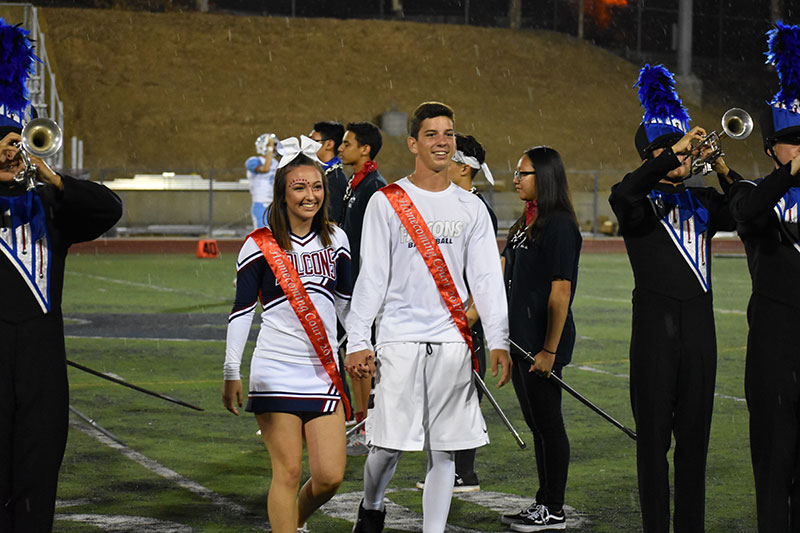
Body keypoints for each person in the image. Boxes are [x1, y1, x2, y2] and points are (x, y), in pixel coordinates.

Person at [345, 102, 511, 533]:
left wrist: (498, 339)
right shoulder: (386, 202)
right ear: (414, 143)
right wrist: (358, 337)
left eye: (449, 133)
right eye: (433, 134)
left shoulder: (471, 208)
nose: (442, 141)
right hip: (398, 338)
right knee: (387, 446)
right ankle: (372, 505)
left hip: (453, 341)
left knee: (445, 451)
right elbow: (372, 276)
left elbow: (487, 280)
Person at [0, 19, 123, 532]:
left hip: (42, 366)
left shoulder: (48, 204)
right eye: (1, 142)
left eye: (15, 141)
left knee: (37, 471)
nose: (10, 149)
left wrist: (50, 175)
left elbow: (107, 209)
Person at [608, 64, 737, 533]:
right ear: (653, 155)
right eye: (674, 148)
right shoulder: (635, 202)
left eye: (685, 147)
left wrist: (719, 165)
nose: (686, 155)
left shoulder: (703, 201)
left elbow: (747, 208)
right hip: (654, 339)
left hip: (701, 336)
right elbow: (625, 193)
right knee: (653, 444)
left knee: (695, 446)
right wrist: (669, 155)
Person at [223, 137, 353, 533]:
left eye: (315, 187)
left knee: (329, 476)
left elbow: (348, 306)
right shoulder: (259, 244)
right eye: (299, 187)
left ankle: (292, 522)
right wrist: (232, 370)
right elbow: (242, 312)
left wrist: (365, 348)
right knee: (289, 471)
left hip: (323, 372)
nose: (309, 195)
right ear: (282, 193)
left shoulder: (337, 239)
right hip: (275, 368)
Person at [728, 21, 800, 532]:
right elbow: (751, 211)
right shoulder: (755, 190)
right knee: (775, 457)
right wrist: (788, 174)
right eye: (792, 143)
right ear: (773, 147)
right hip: (775, 340)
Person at [499, 146, 581, 532]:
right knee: (537, 425)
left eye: (524, 173)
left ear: (544, 178)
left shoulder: (561, 224)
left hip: (541, 345)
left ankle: (555, 508)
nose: (516, 179)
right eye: (516, 172)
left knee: (549, 425)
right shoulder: (524, 223)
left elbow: (560, 292)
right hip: (521, 342)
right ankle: (543, 500)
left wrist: (549, 350)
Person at [415, 133, 497, 493]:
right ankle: (446, 468)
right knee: (438, 395)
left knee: (461, 395)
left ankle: (463, 472)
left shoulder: (477, 210)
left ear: (464, 167)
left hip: (463, 322)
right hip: (438, 318)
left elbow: (487, 274)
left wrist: (470, 317)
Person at [337, 121, 386, 455]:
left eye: (347, 142)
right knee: (352, 354)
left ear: (364, 149)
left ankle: (366, 424)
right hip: (351, 283)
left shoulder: (373, 187)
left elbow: (375, 244)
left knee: (360, 355)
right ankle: (362, 420)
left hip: (363, 286)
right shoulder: (356, 183)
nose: (341, 148)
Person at [310, 121, 348, 223]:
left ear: (329, 144)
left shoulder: (334, 179)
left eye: (313, 141)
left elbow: (332, 224)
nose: (308, 146)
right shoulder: (325, 174)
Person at [245, 132, 279, 229]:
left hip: (274, 204)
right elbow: (265, 169)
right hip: (261, 204)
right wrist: (270, 148)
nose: (274, 149)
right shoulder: (253, 161)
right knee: (262, 237)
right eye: (273, 145)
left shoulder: (275, 162)